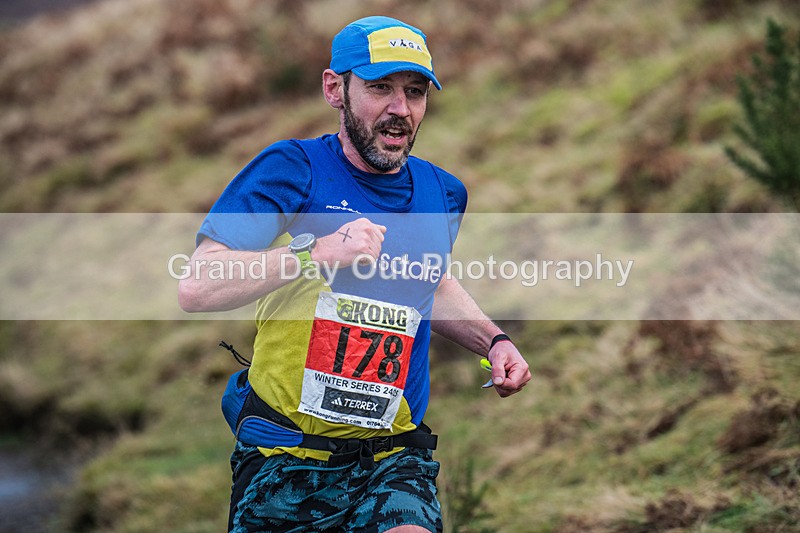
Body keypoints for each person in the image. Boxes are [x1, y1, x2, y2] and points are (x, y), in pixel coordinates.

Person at [179, 15, 531, 533]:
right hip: (285, 455)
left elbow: (426, 283)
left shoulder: (444, 193)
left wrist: (493, 341)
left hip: (392, 457)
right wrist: (314, 254)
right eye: (379, 88)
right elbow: (198, 285)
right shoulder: (290, 168)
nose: (399, 109)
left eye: (414, 92)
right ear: (334, 89)